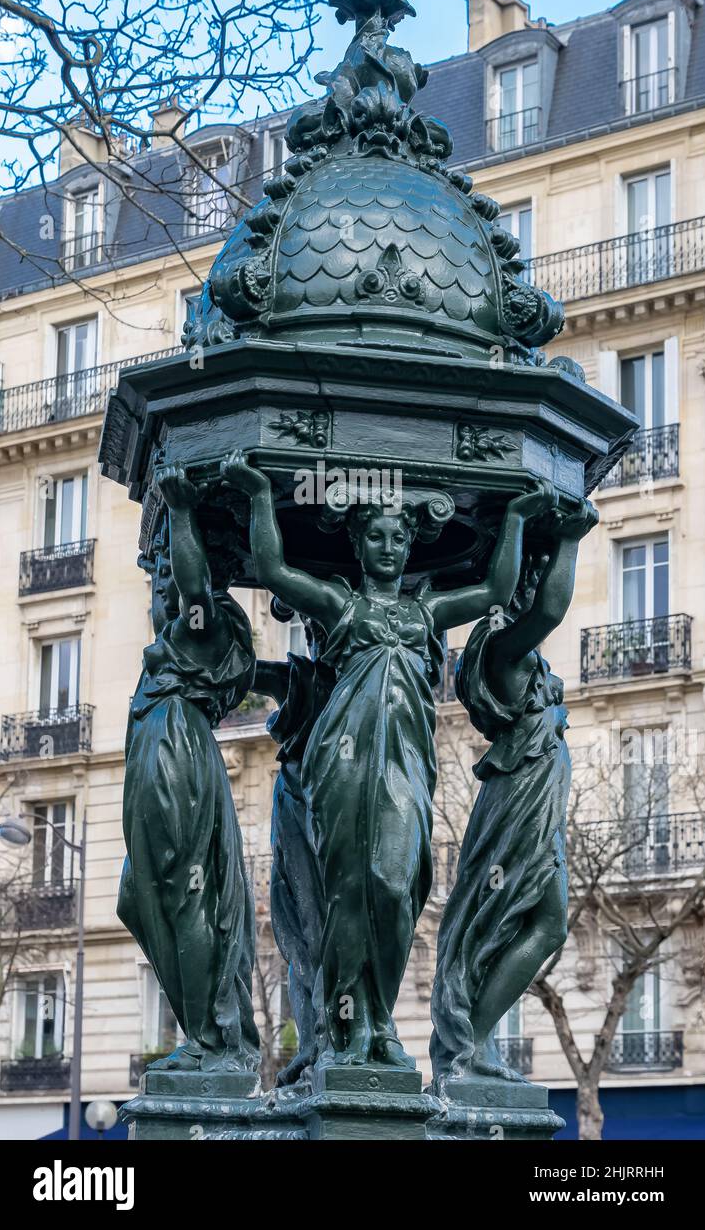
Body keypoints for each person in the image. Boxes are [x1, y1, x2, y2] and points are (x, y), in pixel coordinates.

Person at [222, 448, 556, 1069]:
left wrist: (517, 517)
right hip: (344, 768)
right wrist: (259, 495)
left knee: (398, 886)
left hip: (405, 768)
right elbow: (271, 567)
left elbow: (496, 589)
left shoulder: (424, 612)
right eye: (373, 534)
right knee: (352, 888)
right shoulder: (341, 606)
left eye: (397, 536)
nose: (386, 546)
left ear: (408, 544)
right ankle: (351, 1029)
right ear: (359, 541)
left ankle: (380, 1018)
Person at [430, 497, 598, 1088]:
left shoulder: (526, 665)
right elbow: (550, 612)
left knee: (543, 923)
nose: (535, 586)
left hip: (538, 804)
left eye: (537, 575)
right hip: (519, 802)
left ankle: (471, 1045)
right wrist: (569, 539)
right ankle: (467, 1048)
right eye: (527, 575)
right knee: (531, 920)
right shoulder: (502, 653)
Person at [117, 463, 260, 1074]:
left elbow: (197, 598)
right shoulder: (167, 648)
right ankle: (201, 1031)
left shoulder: (207, 628)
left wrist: (180, 514)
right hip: (151, 750)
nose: (162, 593)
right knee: (135, 898)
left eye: (168, 578)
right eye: (156, 583)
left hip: (177, 746)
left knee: (183, 894)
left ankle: (207, 1039)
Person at [252, 611, 335, 1086]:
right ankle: (313, 1044)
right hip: (299, 799)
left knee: (320, 936)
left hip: (332, 803)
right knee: (303, 939)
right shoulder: (302, 676)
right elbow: (246, 670)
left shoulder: (371, 671)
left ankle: (328, 1040)